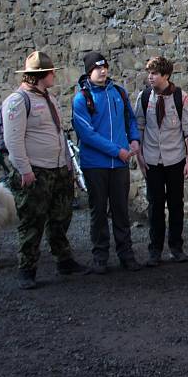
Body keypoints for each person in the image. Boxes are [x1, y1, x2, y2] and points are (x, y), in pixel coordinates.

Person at [2, 51, 87, 289]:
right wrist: (24, 170)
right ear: (41, 75)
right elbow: (13, 140)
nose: (54, 76)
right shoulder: (19, 101)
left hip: (58, 168)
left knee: (61, 216)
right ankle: (27, 269)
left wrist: (68, 165)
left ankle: (64, 260)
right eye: (51, 73)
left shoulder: (48, 98)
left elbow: (58, 134)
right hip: (36, 171)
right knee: (33, 220)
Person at [72, 52, 142, 274]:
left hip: (119, 164)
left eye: (105, 67)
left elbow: (130, 118)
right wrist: (117, 151)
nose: (102, 71)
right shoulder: (82, 98)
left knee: (122, 211)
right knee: (98, 211)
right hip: (96, 165)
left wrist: (134, 139)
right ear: (89, 71)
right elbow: (87, 134)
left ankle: (126, 255)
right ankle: (100, 257)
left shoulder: (119, 92)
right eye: (97, 68)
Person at [134, 56, 188, 266]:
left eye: (155, 74)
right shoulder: (144, 98)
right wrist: (141, 159)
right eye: (149, 73)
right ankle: (155, 250)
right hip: (152, 159)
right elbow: (139, 128)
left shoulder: (181, 98)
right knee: (155, 205)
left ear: (166, 76)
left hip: (175, 158)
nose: (150, 77)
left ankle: (176, 247)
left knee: (176, 204)